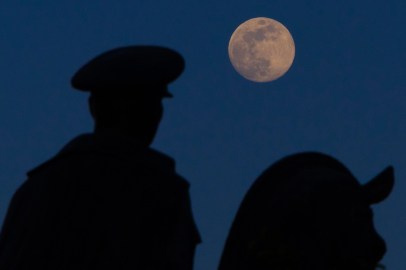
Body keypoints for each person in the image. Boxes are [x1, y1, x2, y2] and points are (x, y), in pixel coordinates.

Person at [0, 46, 201, 270]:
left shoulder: (32, 190)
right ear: (152, 112)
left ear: (92, 107)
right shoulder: (161, 190)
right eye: (153, 104)